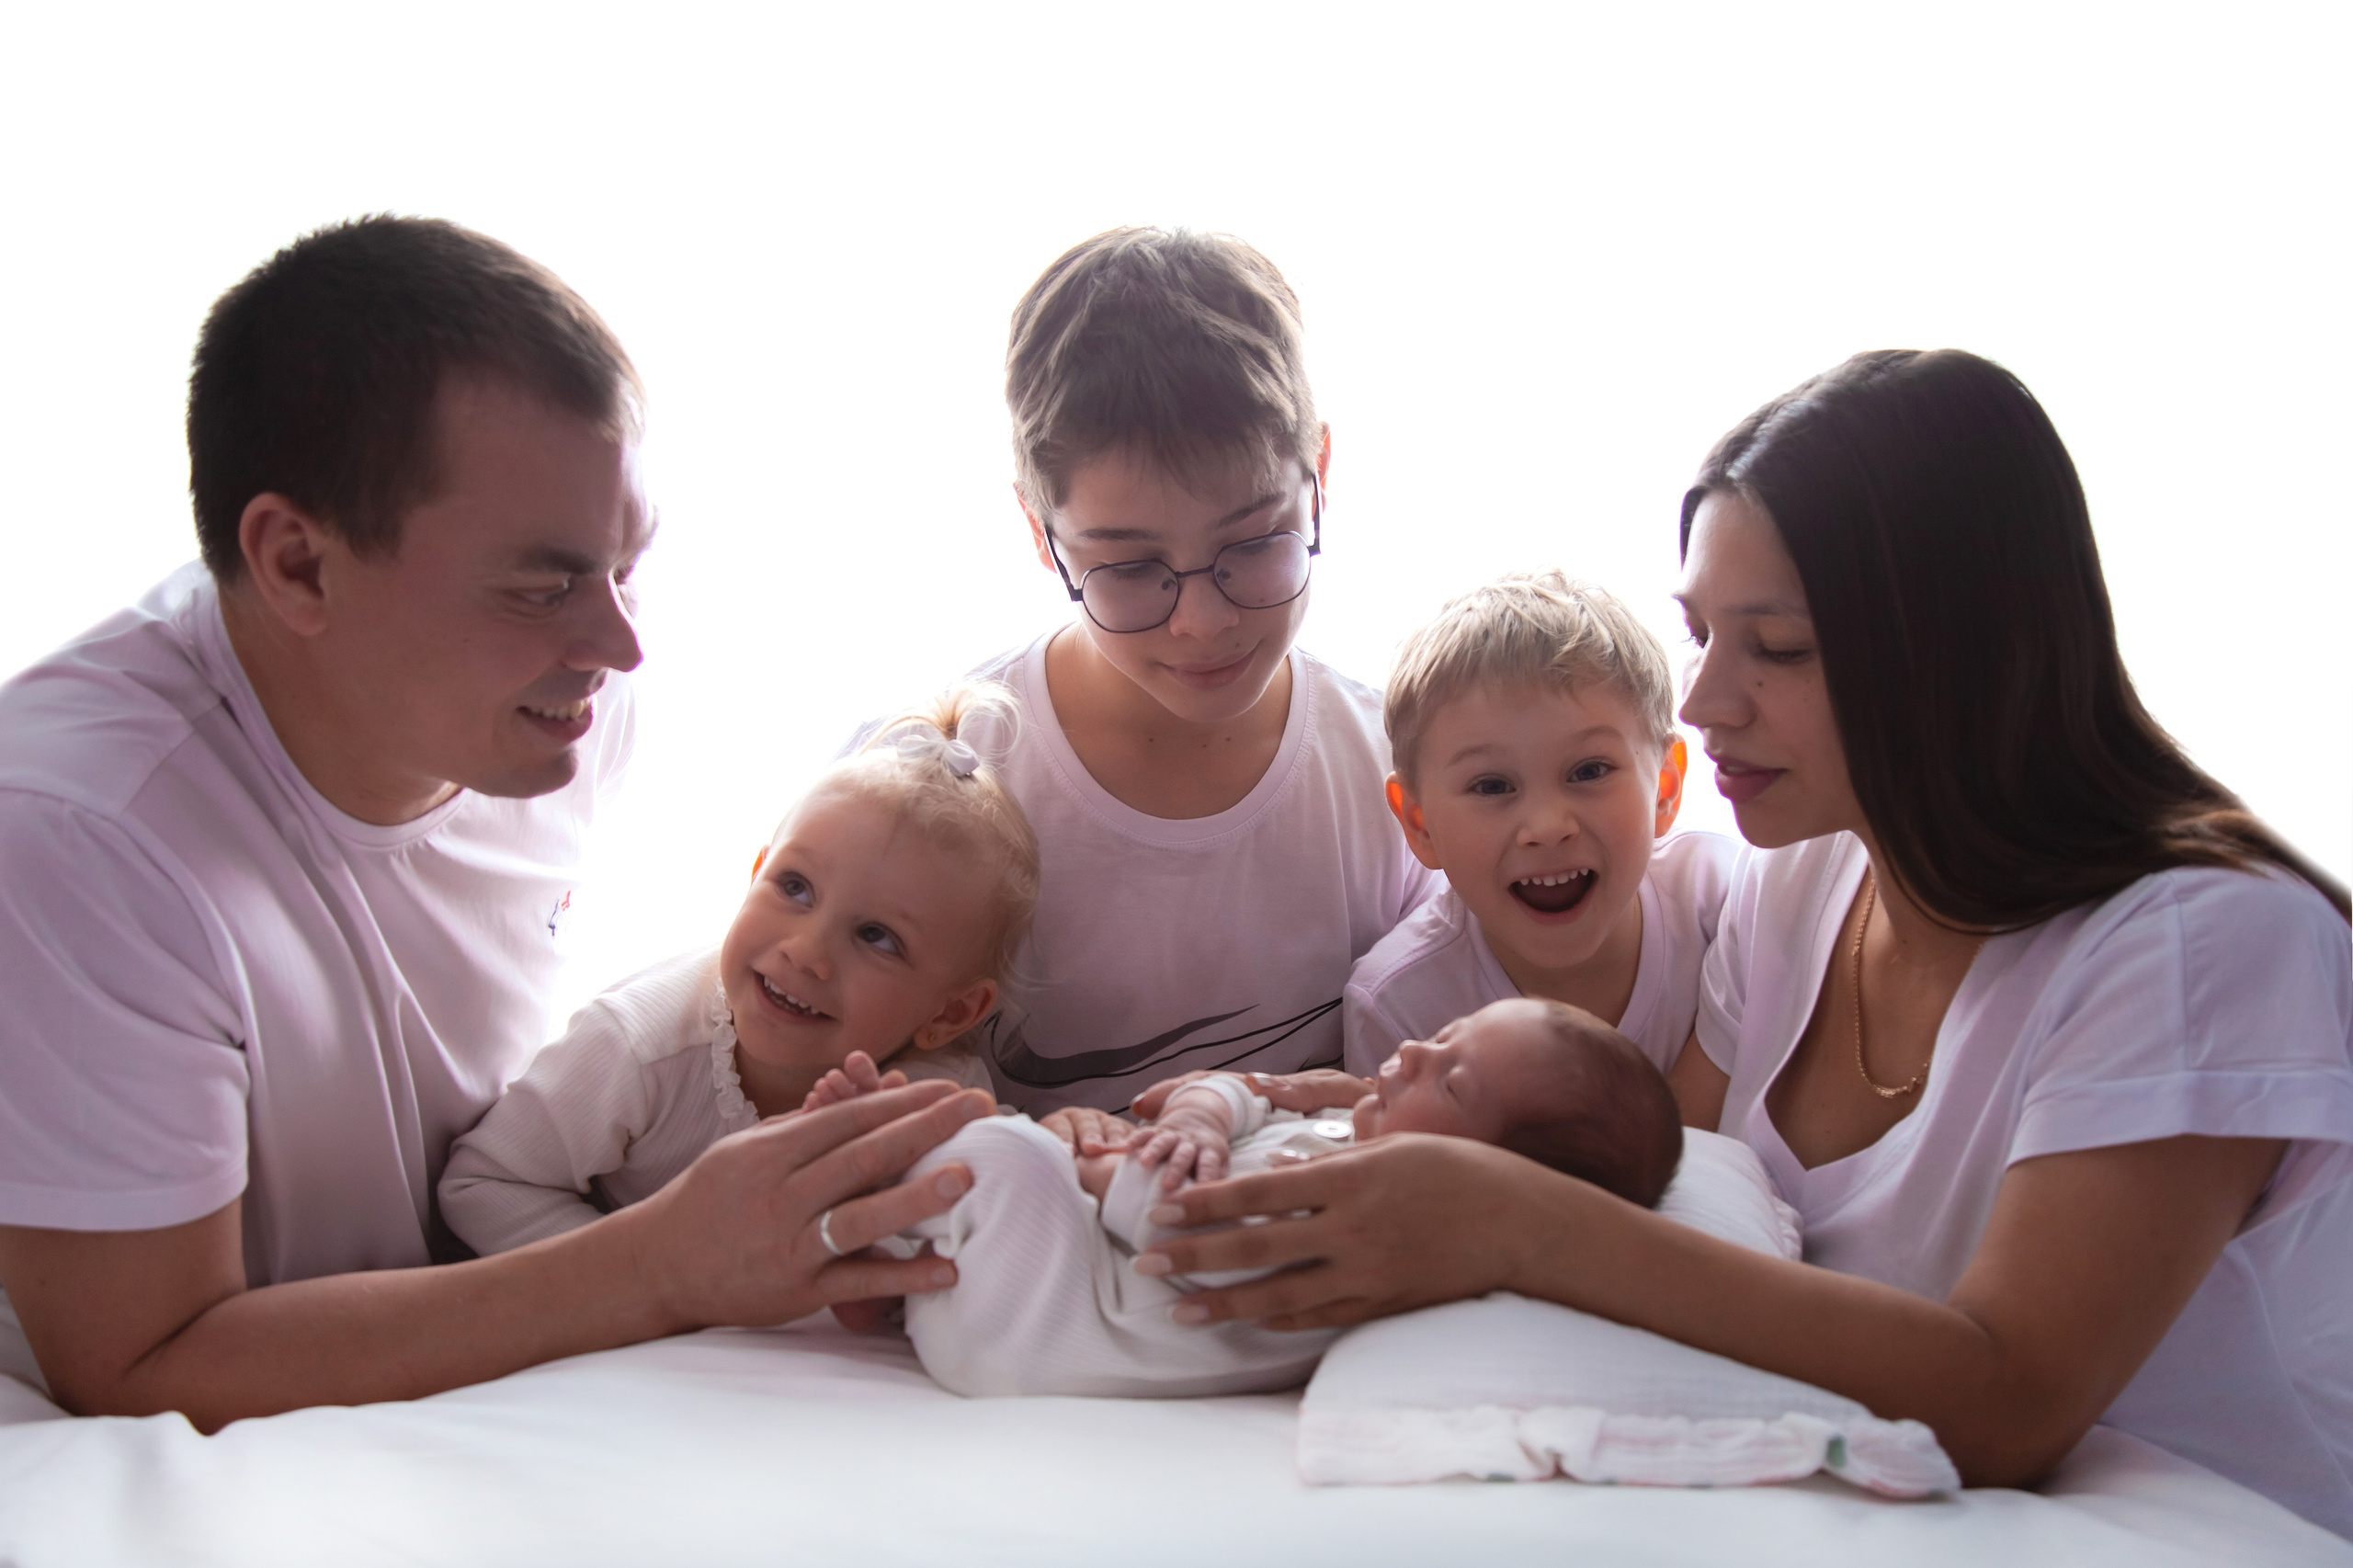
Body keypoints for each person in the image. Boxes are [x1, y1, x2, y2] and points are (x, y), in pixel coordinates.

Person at [1125, 350, 2353, 1538]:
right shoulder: (1800, 879)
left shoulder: (2201, 943)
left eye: (1777, 648)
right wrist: (1373, 1118)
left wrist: (1511, 1220)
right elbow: (1658, 1173)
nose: (1705, 700)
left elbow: (2014, 1401)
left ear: (1957, 649)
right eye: (1702, 634)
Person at [0, 217, 991, 1430]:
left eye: (630, 563)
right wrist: (662, 1261)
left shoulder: (559, 705)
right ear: (299, 564)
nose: (621, 643)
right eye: (544, 584)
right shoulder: (82, 841)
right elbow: (135, 1362)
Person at [904, 226, 1436, 1135]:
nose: (1202, 622)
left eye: (1255, 541)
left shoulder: (1403, 768)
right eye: (1131, 568)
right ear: (1040, 533)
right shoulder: (938, 775)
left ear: (1321, 476)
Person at [440, 688, 1034, 1255]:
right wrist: (645, 1283)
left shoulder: (939, 1099)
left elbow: (1001, 1232)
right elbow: (484, 1184)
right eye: (795, 887)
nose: (805, 952)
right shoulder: (641, 1046)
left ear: (950, 1014)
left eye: (876, 937)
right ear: (756, 872)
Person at [878, 997, 1683, 1398]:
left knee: (1002, 1148)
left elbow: (1181, 1227)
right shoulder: (1353, 1126)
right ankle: (887, 1261)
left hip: (1044, 1335)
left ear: (1492, 1176)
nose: (1410, 1052)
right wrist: (1200, 1113)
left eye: (1452, 1078)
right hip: (1047, 1275)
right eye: (1443, 1036)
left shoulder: (1371, 1232)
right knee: (999, 1145)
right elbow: (1248, 1096)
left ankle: (874, 1202)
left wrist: (1089, 1163)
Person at [1342, 570, 1736, 1076]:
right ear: (1420, 825)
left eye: (1589, 771)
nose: (1548, 827)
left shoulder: (1724, 904)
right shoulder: (1398, 1008)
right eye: (1491, 786)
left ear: (1664, 787)